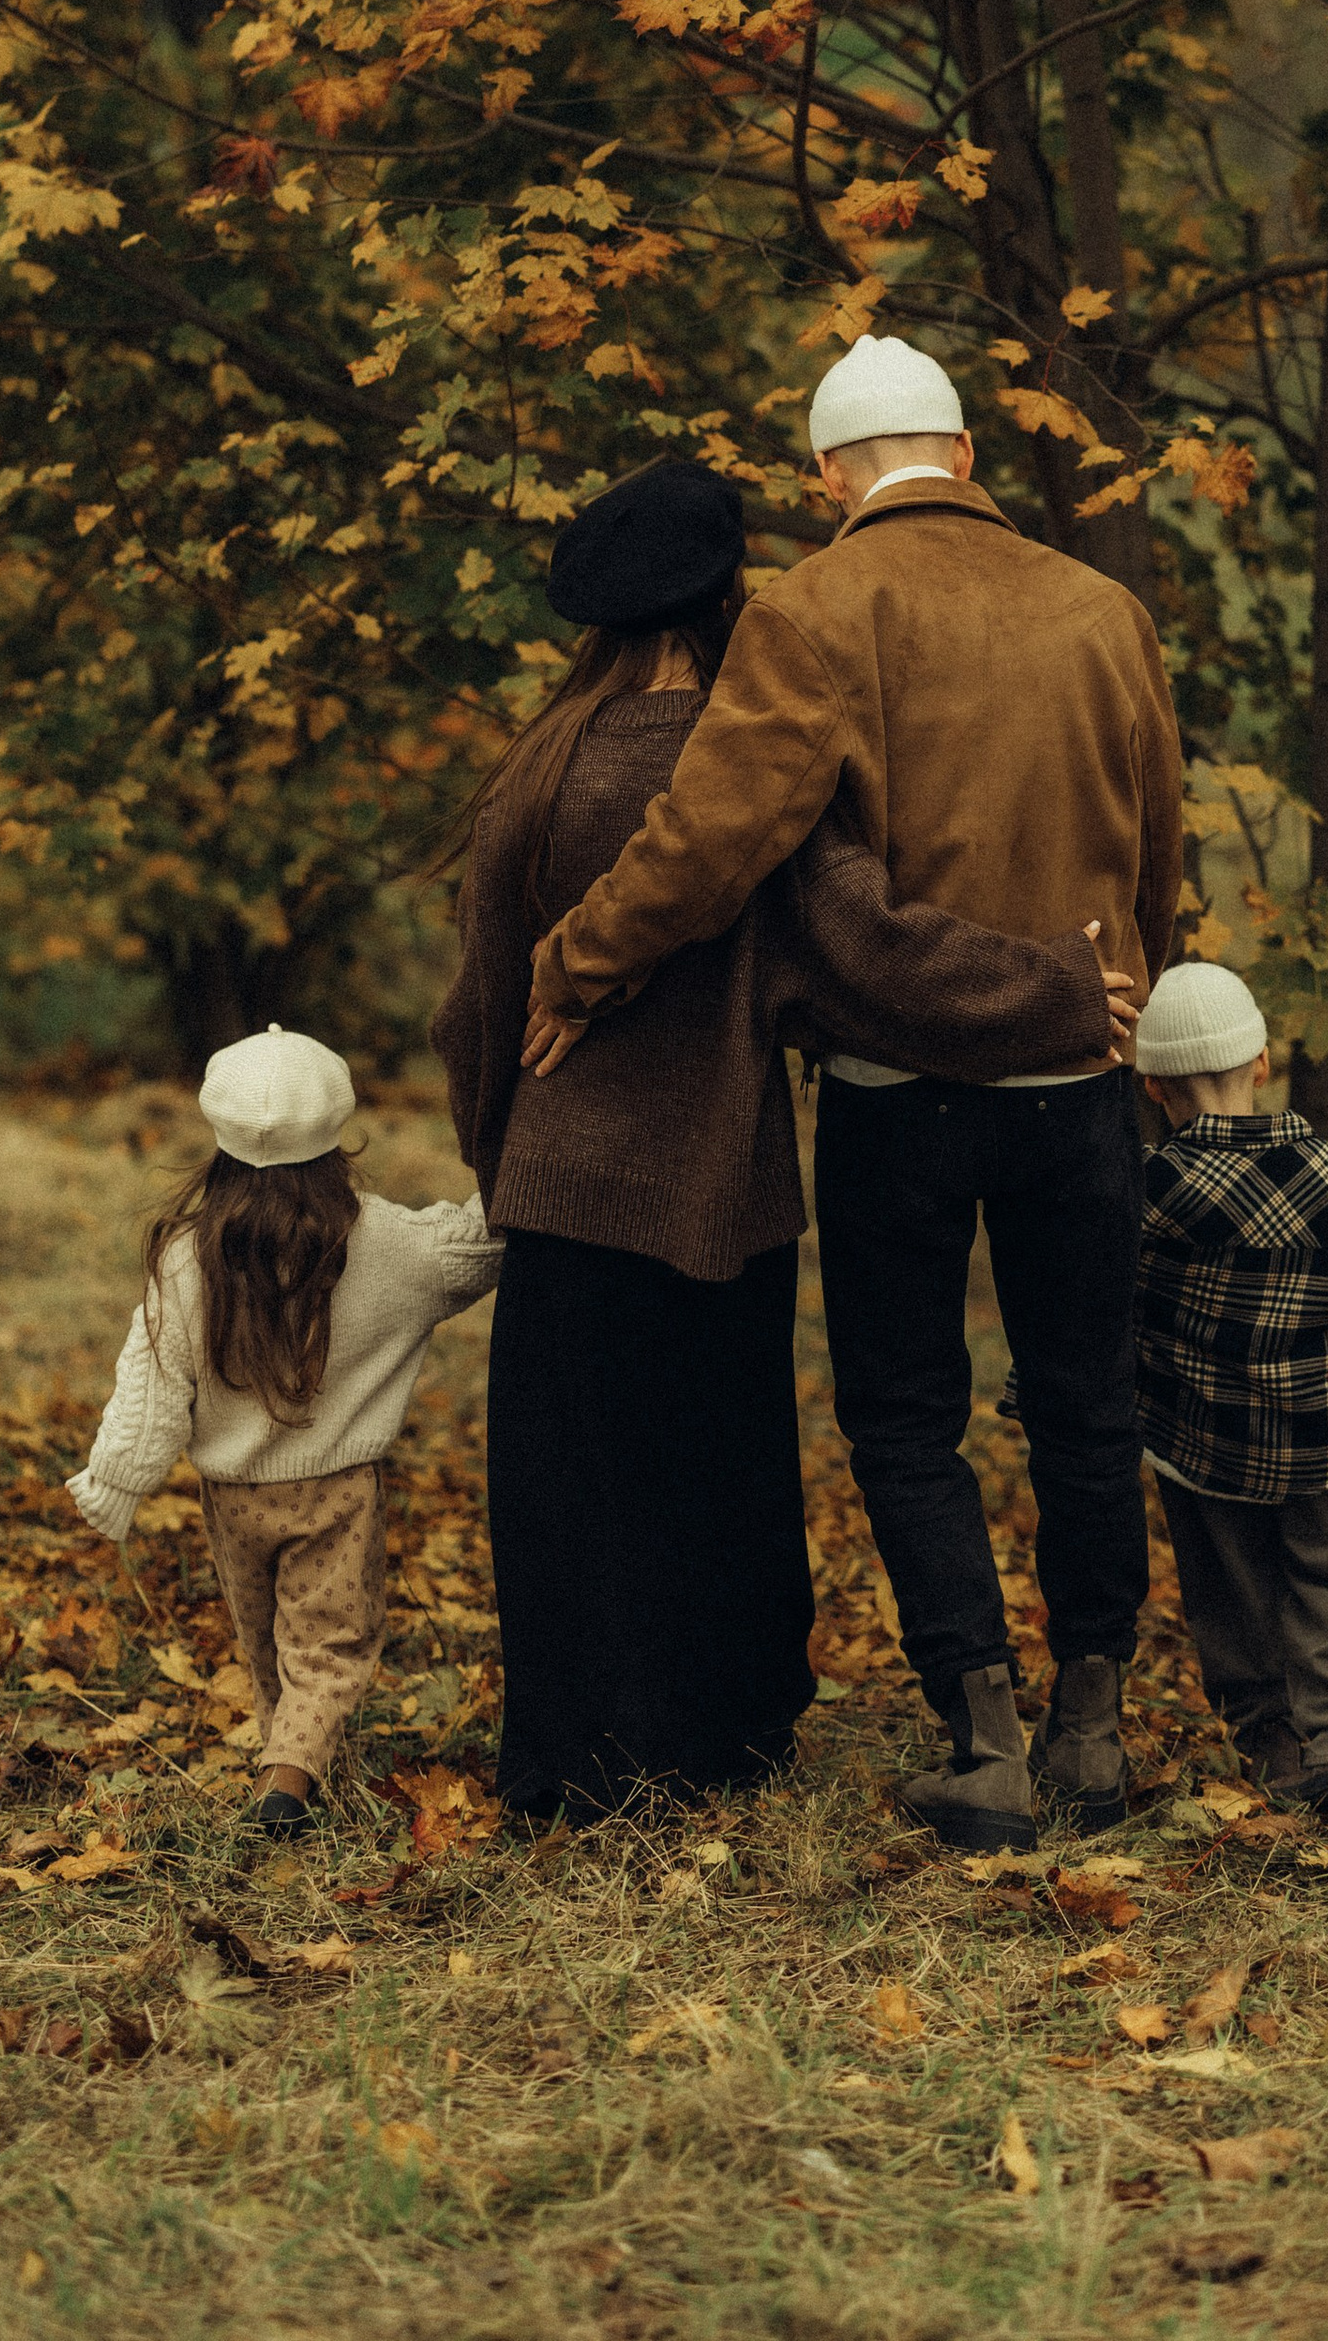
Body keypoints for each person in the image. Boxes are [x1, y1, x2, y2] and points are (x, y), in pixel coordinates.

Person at [521, 333, 1185, 1850]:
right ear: (964, 455)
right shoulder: (1107, 612)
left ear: (829, 478)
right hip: (1082, 1071)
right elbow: (1156, 843)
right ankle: (1093, 1724)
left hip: (902, 1089)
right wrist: (1127, 998)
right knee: (1087, 1405)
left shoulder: (813, 610)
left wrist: (578, 962)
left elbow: (710, 837)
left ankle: (983, 1735)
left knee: (905, 1417)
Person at [66, 1024, 502, 1838]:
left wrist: (115, 1480)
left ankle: (284, 1766)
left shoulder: (186, 1258)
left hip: (233, 1498)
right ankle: (289, 1779)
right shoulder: (385, 1244)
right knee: (327, 1645)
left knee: (267, 1643)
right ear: (337, 1137)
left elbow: (151, 1384)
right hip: (337, 1491)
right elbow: (479, 1243)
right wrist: (531, 1173)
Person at [1131, 960, 1328, 1815]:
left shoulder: (1143, 1191)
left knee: (1232, 1597)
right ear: (1261, 1063)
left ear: (1152, 1087)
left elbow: (1120, 1298)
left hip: (1204, 1446)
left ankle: (1275, 1744)